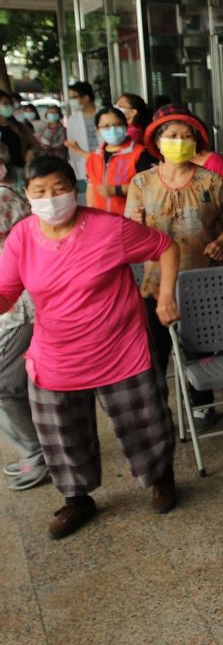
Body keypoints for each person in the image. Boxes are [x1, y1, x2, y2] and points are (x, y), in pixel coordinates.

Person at [0, 155, 182, 539]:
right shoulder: (22, 237)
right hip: (57, 352)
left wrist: (165, 297)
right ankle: (76, 499)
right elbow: (5, 291)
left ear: (74, 189)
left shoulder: (108, 228)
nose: (51, 199)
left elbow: (165, 246)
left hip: (120, 345)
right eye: (40, 192)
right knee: (61, 433)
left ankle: (161, 478)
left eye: (59, 189)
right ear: (28, 197)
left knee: (144, 424)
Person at [127, 110, 223, 430]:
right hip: (156, 283)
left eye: (187, 137)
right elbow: (130, 230)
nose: (180, 142)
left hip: (203, 281)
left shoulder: (211, 181)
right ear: (158, 142)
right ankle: (156, 408)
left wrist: (220, 240)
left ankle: (202, 406)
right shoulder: (142, 182)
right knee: (153, 351)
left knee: (199, 350)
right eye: (173, 136)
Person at [0, 149, 47, 491]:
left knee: (4, 383)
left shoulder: (3, 198)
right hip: (11, 308)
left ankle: (37, 453)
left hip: (18, 307)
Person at [76, 107, 156, 215]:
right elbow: (90, 188)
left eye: (118, 124)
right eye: (106, 126)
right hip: (102, 219)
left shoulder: (140, 153)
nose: (112, 129)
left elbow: (150, 186)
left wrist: (117, 190)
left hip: (131, 219)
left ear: (126, 126)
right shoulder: (93, 158)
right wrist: (90, 213)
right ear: (98, 130)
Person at [63, 81, 99, 187]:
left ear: (85, 98)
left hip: (104, 162)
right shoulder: (72, 120)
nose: (71, 101)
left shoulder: (105, 114)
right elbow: (72, 148)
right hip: (82, 167)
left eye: (74, 97)